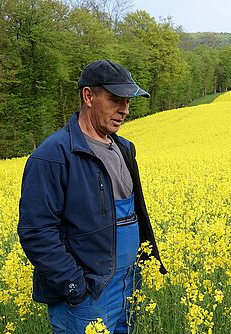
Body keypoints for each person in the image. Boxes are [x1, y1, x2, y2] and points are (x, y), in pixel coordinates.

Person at [18, 60, 166, 333]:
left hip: (128, 285)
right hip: (87, 296)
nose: (125, 110)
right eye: (115, 100)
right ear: (88, 96)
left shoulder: (124, 149)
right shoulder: (53, 155)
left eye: (128, 101)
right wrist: (75, 286)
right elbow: (36, 231)